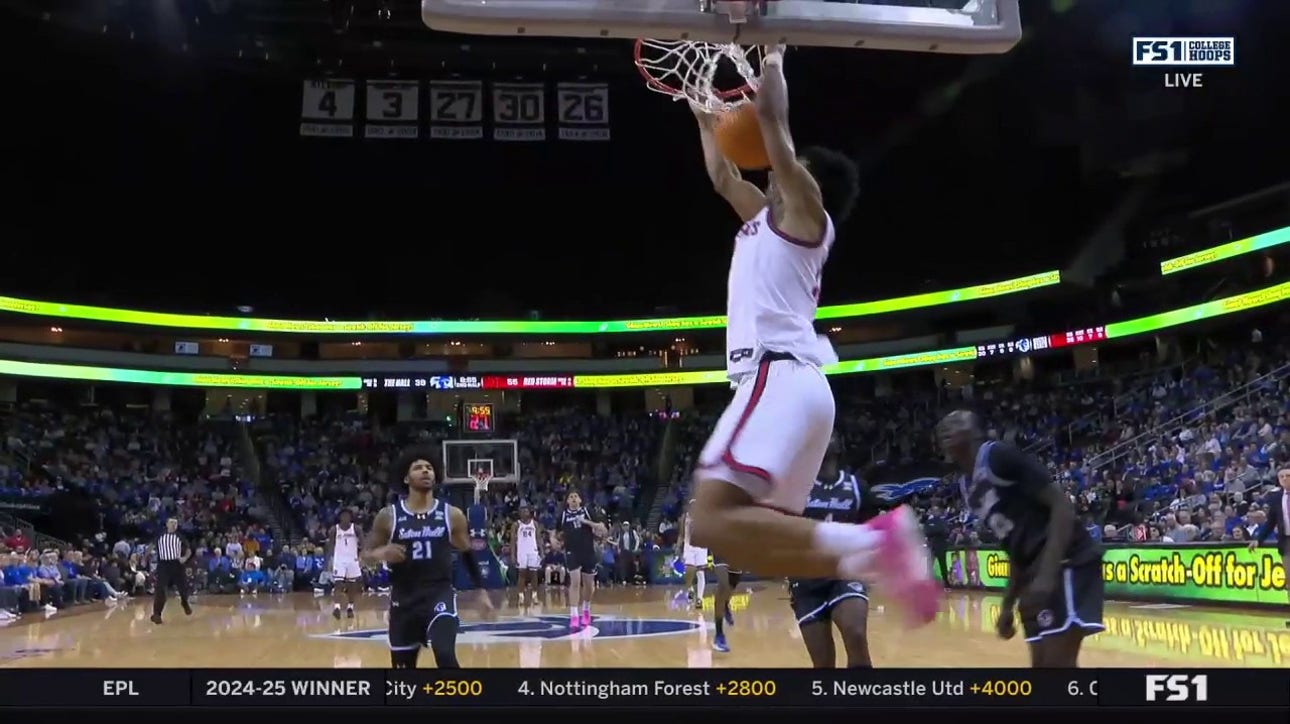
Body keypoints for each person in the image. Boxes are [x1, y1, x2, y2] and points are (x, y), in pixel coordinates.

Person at [684, 45, 937, 623]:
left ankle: (876, 544)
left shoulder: (807, 218)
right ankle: (874, 548)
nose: (773, 170)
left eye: (788, 168)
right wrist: (704, 121)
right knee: (744, 537)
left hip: (778, 375)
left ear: (807, 183)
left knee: (709, 519)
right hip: (796, 386)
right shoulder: (760, 221)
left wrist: (772, 55)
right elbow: (723, 176)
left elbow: (773, 126)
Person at [937, 410, 1104, 667]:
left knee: (1057, 668)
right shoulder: (965, 487)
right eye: (944, 425)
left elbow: (1062, 506)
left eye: (958, 420)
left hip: (1067, 560)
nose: (948, 425)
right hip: (1032, 573)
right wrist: (1007, 605)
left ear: (976, 431)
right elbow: (1013, 546)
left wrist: (1047, 575)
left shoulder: (997, 456)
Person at [363, 445, 493, 669]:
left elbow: (467, 552)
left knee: (445, 655)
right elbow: (364, 556)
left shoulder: (451, 514)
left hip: (438, 594)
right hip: (403, 600)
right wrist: (380, 553)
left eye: (429, 468)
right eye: (418, 468)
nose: (425, 471)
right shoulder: (388, 516)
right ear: (406, 478)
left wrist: (481, 591)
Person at [789, 434, 883, 667]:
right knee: (823, 663)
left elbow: (872, 530)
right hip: (806, 581)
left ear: (840, 446)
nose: (827, 435)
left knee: (856, 634)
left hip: (845, 574)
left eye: (833, 432)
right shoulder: (796, 489)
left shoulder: (857, 488)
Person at [554, 490, 607, 630]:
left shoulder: (587, 511)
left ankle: (586, 609)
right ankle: (574, 615)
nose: (573, 498)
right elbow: (554, 531)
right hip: (572, 551)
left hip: (588, 551)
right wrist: (554, 540)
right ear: (567, 501)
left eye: (575, 496)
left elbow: (601, 528)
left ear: (580, 500)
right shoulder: (564, 515)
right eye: (570, 497)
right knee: (575, 582)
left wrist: (586, 522)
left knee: (589, 585)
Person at [1250, 465, 1290, 627]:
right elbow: (1270, 522)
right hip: (1286, 541)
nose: (1285, 479)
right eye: (1282, 477)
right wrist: (1258, 540)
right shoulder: (1276, 497)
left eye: (1288, 475)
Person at [327, 508, 362, 620]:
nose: (345, 517)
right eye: (343, 515)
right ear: (340, 517)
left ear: (350, 517)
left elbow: (363, 542)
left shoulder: (356, 528)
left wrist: (363, 555)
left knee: (352, 586)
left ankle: (350, 607)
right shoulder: (334, 530)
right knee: (338, 583)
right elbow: (330, 545)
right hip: (339, 559)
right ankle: (336, 607)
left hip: (353, 559)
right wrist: (330, 559)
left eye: (347, 515)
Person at [509, 504, 544, 606]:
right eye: (522, 511)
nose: (524, 512)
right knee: (522, 574)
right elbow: (512, 541)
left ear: (529, 512)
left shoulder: (535, 524)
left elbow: (538, 538)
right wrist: (512, 554)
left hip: (533, 551)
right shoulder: (516, 525)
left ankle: (534, 596)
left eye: (526, 511)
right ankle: (521, 596)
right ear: (519, 513)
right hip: (521, 552)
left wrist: (541, 551)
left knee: (534, 574)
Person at [679, 503, 710, 609]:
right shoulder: (684, 518)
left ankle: (699, 599)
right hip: (689, 546)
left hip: (701, 546)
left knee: (700, 573)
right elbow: (681, 534)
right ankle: (690, 589)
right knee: (688, 571)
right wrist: (678, 546)